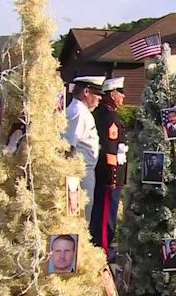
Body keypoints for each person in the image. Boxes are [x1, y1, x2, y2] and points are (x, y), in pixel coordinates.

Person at [90, 77, 128, 261]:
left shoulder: (103, 112)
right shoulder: (110, 116)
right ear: (112, 94)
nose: (123, 97)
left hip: (105, 171)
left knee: (103, 210)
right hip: (109, 173)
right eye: (121, 93)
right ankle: (103, 247)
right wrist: (113, 177)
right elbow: (110, 147)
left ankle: (101, 243)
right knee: (106, 212)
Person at [64, 75, 105, 223]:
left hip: (84, 171)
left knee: (83, 215)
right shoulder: (77, 113)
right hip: (79, 173)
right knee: (79, 217)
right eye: (97, 94)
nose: (99, 98)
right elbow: (68, 146)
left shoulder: (82, 112)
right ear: (86, 92)